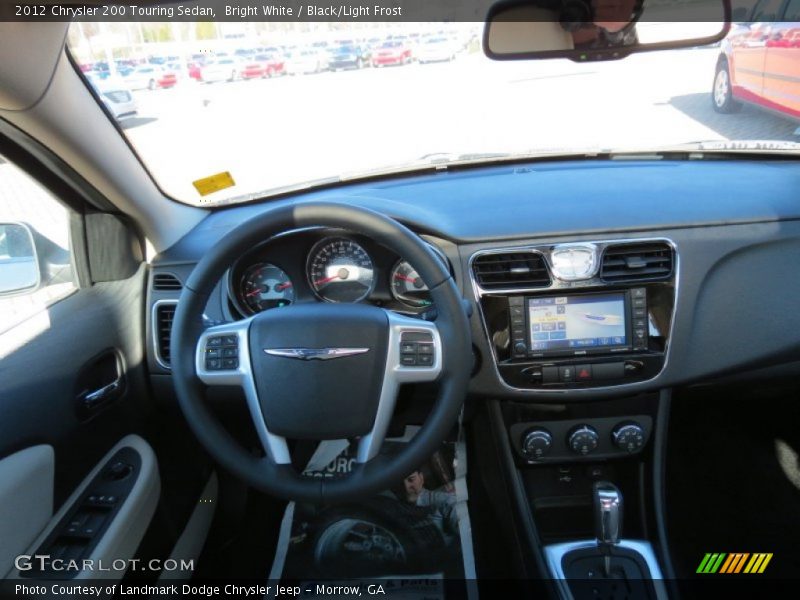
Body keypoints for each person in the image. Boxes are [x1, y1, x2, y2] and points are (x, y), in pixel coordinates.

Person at [401, 469, 459, 540]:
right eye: (399, 482)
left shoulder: (442, 499)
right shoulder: (393, 510)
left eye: (411, 479)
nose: (406, 487)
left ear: (421, 478)